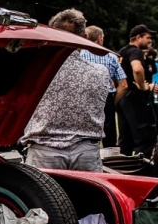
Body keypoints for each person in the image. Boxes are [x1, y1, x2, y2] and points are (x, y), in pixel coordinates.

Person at [20, 9, 111, 172]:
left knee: (42, 198)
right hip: (87, 153)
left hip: (44, 152)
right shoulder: (101, 72)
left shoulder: (35, 72)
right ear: (85, 39)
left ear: (51, 36)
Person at [81, 25, 128, 149]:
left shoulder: (80, 54)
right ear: (100, 38)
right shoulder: (111, 57)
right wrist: (112, 102)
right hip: (106, 98)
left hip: (84, 97)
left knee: (85, 133)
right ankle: (109, 161)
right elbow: (123, 85)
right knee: (109, 133)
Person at [118, 24, 158, 159]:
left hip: (124, 98)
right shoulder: (136, 52)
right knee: (145, 136)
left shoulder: (122, 52)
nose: (150, 40)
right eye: (148, 37)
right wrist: (143, 86)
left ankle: (123, 170)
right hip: (136, 96)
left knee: (126, 138)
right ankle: (144, 172)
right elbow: (137, 69)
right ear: (138, 37)